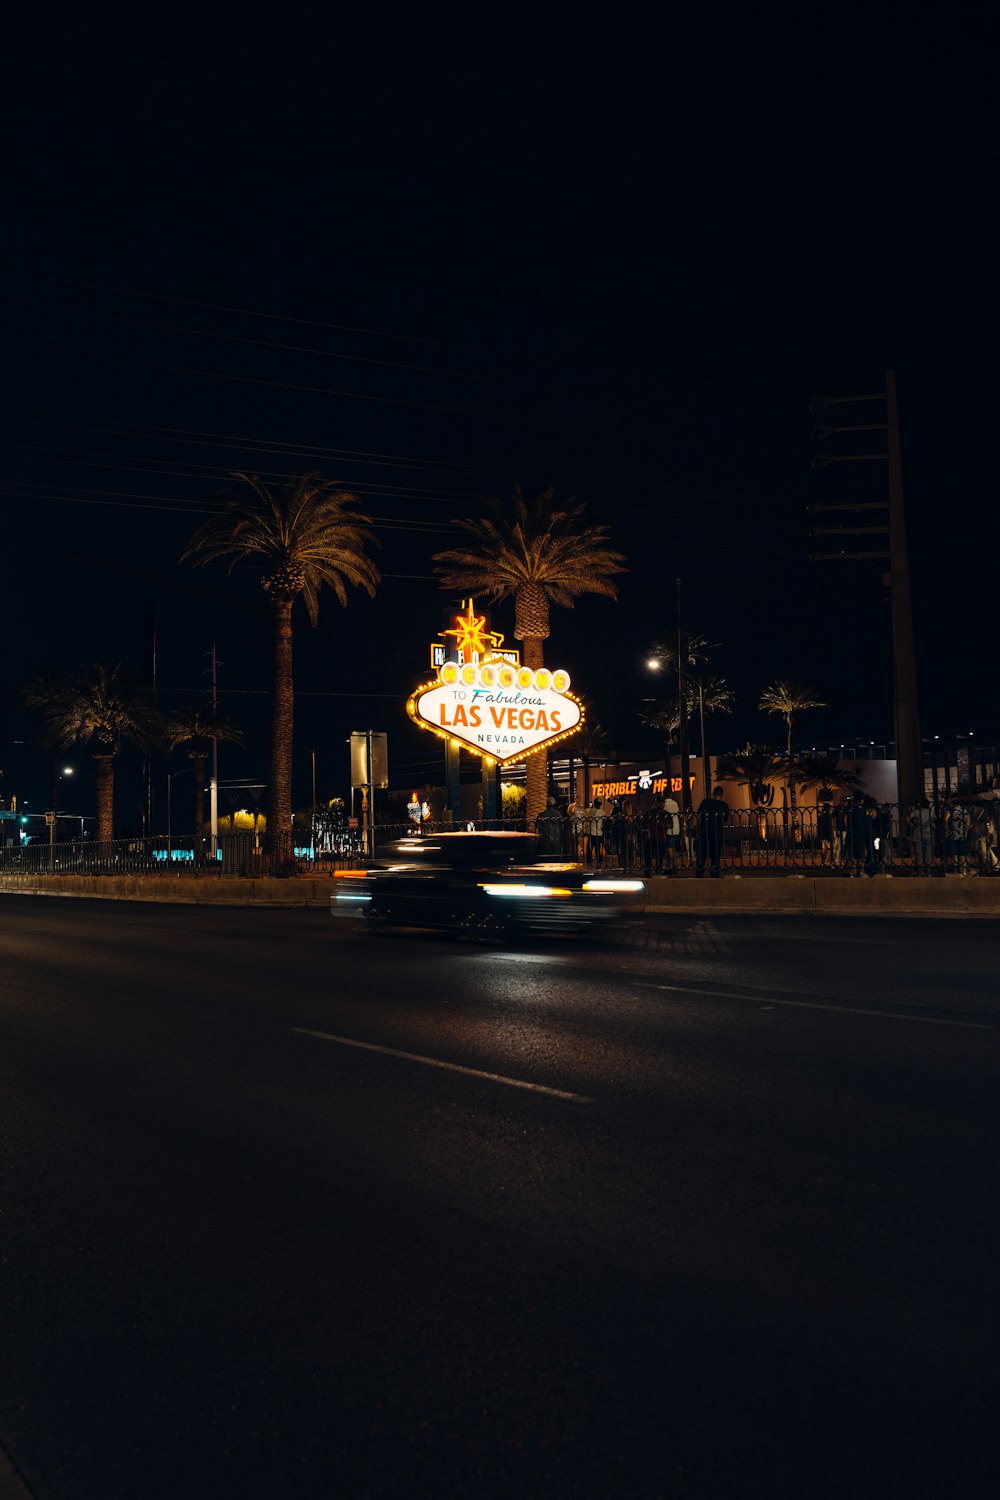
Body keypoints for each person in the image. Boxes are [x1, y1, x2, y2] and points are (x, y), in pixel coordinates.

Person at [695, 786, 728, 877]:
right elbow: (725, 818)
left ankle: (699, 873)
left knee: (702, 855)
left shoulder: (705, 802)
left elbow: (698, 814)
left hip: (704, 833)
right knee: (715, 856)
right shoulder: (724, 806)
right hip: (717, 834)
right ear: (721, 795)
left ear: (713, 793)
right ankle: (714, 874)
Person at [907, 798, 935, 875]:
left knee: (919, 853)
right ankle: (928, 872)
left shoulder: (917, 812)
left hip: (918, 833)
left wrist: (913, 825)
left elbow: (908, 819)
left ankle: (920, 872)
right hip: (929, 833)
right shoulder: (931, 812)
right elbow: (934, 820)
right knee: (928, 853)